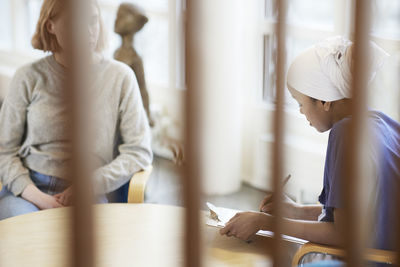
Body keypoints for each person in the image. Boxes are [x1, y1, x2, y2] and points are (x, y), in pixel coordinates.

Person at [219, 36, 399, 261]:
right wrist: (296, 210)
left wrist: (266, 222)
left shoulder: (346, 134)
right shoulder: (381, 122)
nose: (302, 112)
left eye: (300, 103)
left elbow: (343, 233)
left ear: (324, 101)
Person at [0, 0, 152, 220]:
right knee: (24, 241)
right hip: (29, 192)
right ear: (50, 25)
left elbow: (139, 151)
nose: (88, 31)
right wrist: (37, 197)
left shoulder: (120, 77)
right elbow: (4, 150)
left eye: (92, 21)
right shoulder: (27, 77)